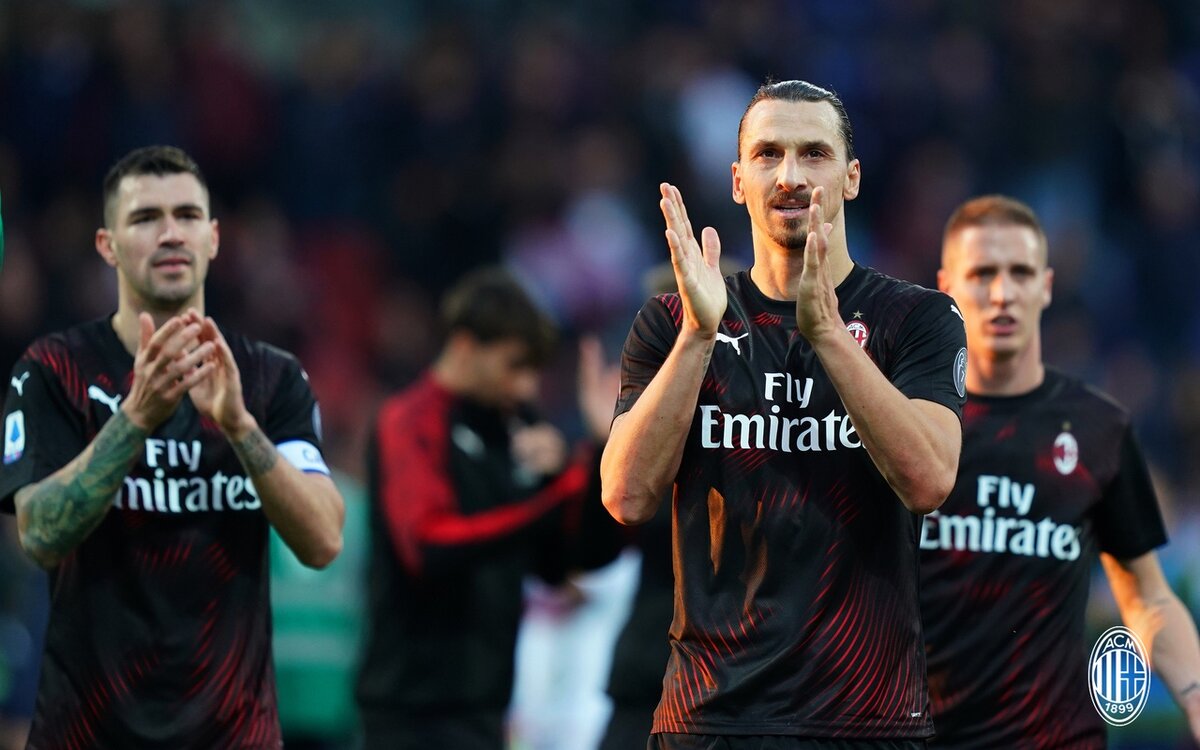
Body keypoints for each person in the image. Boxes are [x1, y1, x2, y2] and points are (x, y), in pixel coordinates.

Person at [601, 78, 968, 748]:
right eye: (768, 154)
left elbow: (930, 480)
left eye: (814, 154)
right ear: (738, 180)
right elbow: (626, 496)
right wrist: (697, 337)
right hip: (711, 718)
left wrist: (827, 333)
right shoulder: (673, 321)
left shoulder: (917, 319)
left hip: (865, 721)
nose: (790, 176)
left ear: (852, 178)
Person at [0, 145, 345, 748]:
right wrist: (135, 418)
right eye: (144, 218)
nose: (170, 234)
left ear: (213, 238)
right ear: (107, 245)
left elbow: (323, 540)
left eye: (187, 215)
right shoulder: (54, 370)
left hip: (233, 736)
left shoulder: (270, 379)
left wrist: (240, 427)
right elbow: (38, 535)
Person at [921, 194, 1200, 747]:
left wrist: (1194, 698)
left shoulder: (1098, 428)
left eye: (1020, 273)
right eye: (982, 274)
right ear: (946, 286)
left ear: (1046, 286)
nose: (1003, 293)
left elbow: (1146, 598)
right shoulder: (908, 422)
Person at [355, 267, 607, 750]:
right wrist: (554, 498)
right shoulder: (410, 421)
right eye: (514, 366)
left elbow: (554, 567)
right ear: (466, 345)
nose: (525, 388)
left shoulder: (514, 425)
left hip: (487, 706)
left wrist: (585, 467)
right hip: (410, 711)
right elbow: (427, 546)